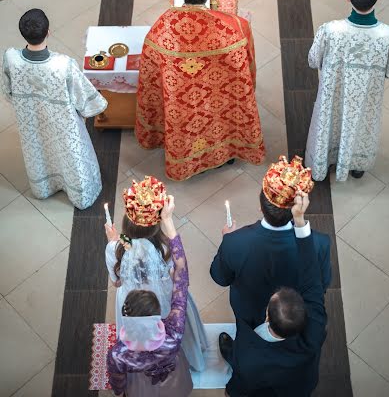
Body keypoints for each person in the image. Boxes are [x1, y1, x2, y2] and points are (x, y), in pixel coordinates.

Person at [135, 0, 265, 181]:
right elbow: (247, 65)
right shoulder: (235, 26)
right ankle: (225, 153)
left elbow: (149, 75)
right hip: (220, 99)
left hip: (182, 104)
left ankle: (190, 160)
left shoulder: (162, 28)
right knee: (220, 119)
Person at [219, 190, 327, 397]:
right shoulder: (315, 330)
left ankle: (230, 353)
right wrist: (300, 222)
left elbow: (239, 385)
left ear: (267, 316)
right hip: (300, 385)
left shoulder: (249, 357)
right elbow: (314, 280)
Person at [1, 8, 107, 209]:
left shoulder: (11, 58)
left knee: (38, 150)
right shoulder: (63, 65)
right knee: (70, 155)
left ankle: (44, 188)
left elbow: (8, 91)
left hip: (31, 120)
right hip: (63, 124)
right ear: (48, 32)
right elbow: (84, 99)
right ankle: (79, 195)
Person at [210, 155, 331, 328]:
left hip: (249, 314)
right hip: (291, 319)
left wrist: (228, 241)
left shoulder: (234, 242)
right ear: (298, 208)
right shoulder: (320, 243)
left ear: (260, 206)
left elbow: (220, 277)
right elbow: (322, 284)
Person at [105, 175, 208, 371]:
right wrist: (168, 221)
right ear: (157, 223)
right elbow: (180, 270)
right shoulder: (165, 246)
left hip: (131, 303)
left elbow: (116, 283)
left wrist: (114, 242)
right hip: (164, 299)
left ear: (127, 222)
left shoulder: (114, 249)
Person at [305, 0, 389, 181]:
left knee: (329, 122)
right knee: (361, 125)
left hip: (333, 95)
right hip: (367, 98)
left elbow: (312, 60)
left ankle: (323, 162)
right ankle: (356, 166)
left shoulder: (330, 31)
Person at [107, 194, 193, 397]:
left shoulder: (119, 353)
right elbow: (181, 270)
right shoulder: (174, 332)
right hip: (173, 383)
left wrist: (120, 392)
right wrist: (168, 221)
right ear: (158, 314)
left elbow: (118, 380)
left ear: (126, 314)